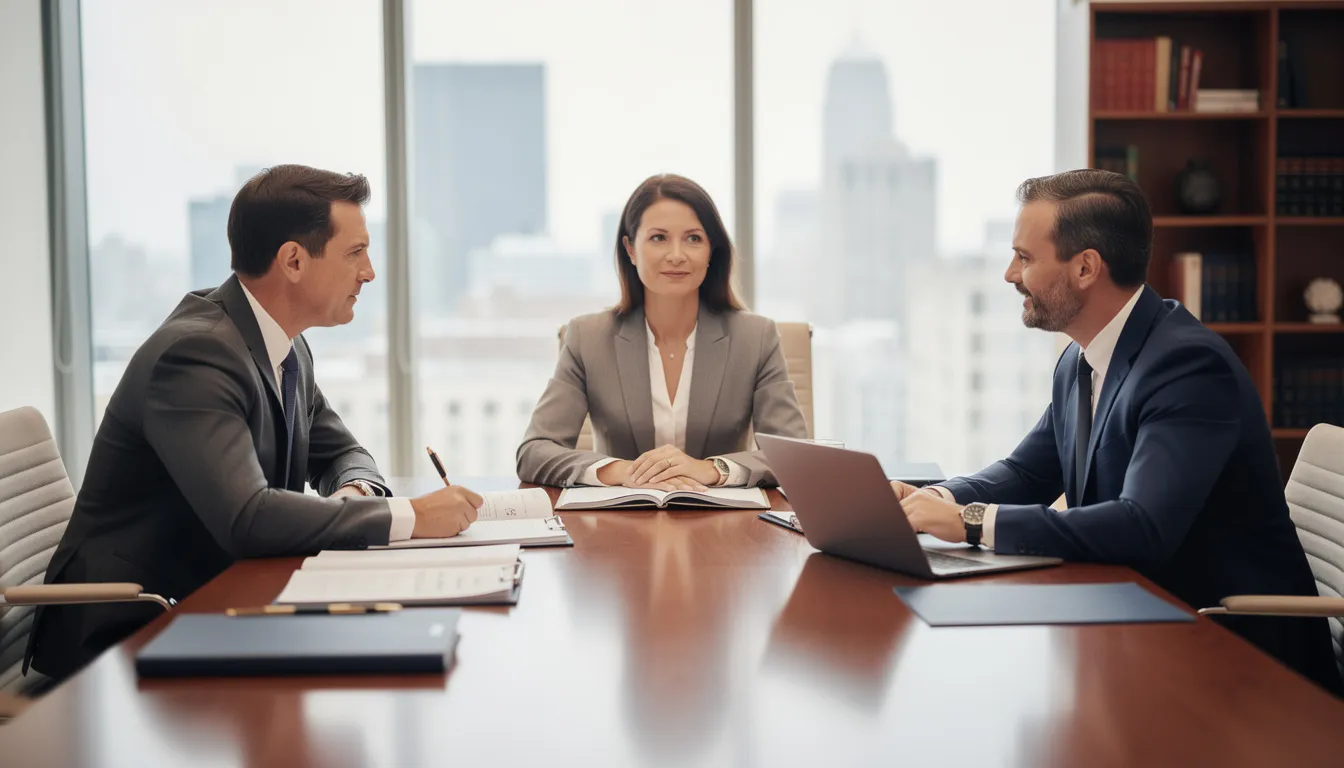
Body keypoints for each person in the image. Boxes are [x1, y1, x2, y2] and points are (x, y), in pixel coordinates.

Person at [891, 169, 1342, 696]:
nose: (1010, 274)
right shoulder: (1080, 361)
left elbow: (1141, 528)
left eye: (1026, 257)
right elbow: (1026, 472)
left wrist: (967, 522)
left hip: (1236, 655)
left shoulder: (1187, 367)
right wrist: (929, 500)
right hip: (1140, 619)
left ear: (1085, 267)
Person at [26, 165, 482, 682]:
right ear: (292, 260)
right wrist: (410, 517)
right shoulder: (196, 355)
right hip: (130, 628)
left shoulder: (286, 345)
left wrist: (355, 489)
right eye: (355, 253)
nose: (370, 272)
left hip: (214, 599)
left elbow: (340, 452)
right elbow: (248, 518)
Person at [517, 173, 808, 489]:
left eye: (694, 238)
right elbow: (534, 452)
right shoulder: (587, 338)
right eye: (659, 238)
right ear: (630, 249)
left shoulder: (756, 337)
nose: (677, 255)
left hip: (727, 528)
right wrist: (624, 472)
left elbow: (796, 455)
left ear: (712, 250)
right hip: (621, 526)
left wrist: (712, 470)